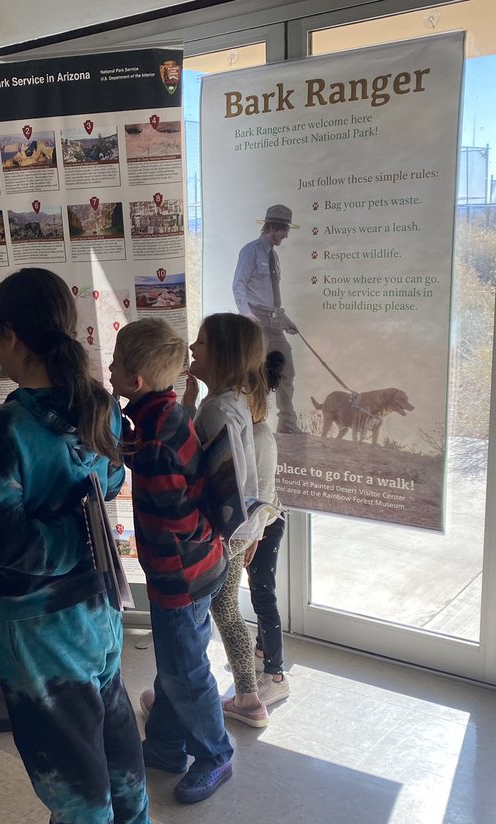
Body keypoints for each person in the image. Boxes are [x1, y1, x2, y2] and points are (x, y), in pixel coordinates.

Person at [0, 268, 150, 824]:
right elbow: (114, 481)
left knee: (64, 748)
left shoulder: (6, 432)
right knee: (109, 716)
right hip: (100, 602)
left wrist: (62, 529)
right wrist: (84, 528)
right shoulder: (95, 403)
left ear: (10, 336)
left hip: (41, 622)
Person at [108, 318, 233, 804]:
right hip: (200, 566)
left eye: (115, 364)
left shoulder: (158, 434)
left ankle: (215, 754)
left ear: (134, 381)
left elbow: (171, 508)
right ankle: (163, 745)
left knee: (186, 671)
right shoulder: (164, 416)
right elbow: (147, 452)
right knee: (175, 663)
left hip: (178, 576)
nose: (111, 370)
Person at [182, 313, 269, 728]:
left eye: (200, 342)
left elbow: (197, 473)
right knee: (224, 608)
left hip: (218, 535)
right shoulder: (233, 403)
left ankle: (224, 700)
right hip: (237, 532)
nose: (192, 348)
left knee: (209, 612)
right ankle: (247, 697)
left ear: (221, 354)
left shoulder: (217, 410)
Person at [232, 204, 304, 434]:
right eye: (284, 230)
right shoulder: (250, 251)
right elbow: (239, 285)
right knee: (257, 374)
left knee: (287, 370)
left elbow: (272, 299)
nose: (286, 235)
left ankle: (287, 425)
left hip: (274, 322)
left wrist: (286, 321)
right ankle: (253, 422)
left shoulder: (274, 257)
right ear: (273, 227)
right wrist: (246, 314)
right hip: (256, 322)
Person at [247, 351, 290, 706]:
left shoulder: (261, 436)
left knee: (263, 595)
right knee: (258, 589)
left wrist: (256, 535)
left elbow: (262, 495)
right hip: (262, 524)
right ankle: (261, 655)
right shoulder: (251, 430)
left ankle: (276, 675)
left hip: (268, 524)